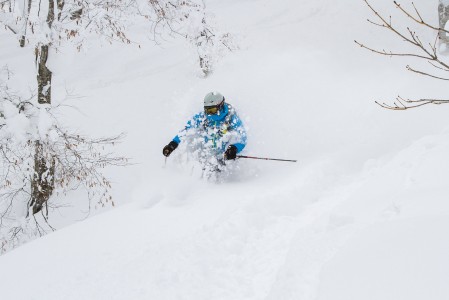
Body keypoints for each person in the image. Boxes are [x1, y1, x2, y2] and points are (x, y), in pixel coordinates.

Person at [162, 92, 247, 169]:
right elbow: (186, 131)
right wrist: (173, 144)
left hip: (224, 157)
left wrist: (234, 148)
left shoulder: (231, 118)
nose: (209, 113)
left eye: (212, 110)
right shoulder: (202, 117)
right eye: (207, 110)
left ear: (220, 106)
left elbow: (242, 137)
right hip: (205, 156)